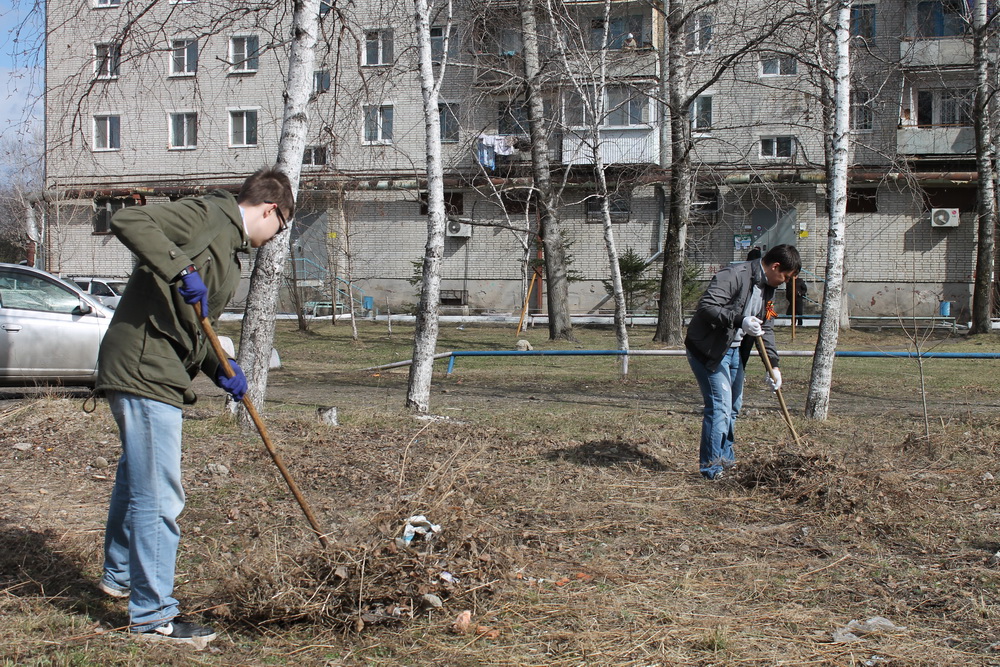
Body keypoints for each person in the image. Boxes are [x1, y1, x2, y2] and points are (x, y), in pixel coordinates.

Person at [96, 168, 294, 645]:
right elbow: (129, 221)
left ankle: (120, 576)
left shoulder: (227, 245)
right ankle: (153, 616)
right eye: (281, 228)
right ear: (270, 210)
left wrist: (222, 368)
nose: (275, 239)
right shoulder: (211, 214)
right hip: (147, 368)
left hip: (157, 364)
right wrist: (180, 268)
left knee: (136, 478)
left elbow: (193, 322)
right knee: (159, 495)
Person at [685, 244, 801, 480]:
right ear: (775, 266)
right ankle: (711, 469)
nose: (785, 282)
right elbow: (706, 307)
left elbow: (766, 326)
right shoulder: (733, 275)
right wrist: (740, 320)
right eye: (786, 277)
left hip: (737, 352)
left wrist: (774, 365)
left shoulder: (769, 288)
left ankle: (727, 462)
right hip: (709, 350)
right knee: (719, 409)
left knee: (733, 409)